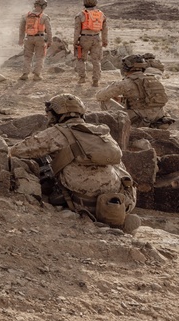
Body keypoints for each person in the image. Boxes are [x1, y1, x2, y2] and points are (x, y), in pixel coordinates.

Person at [9, 94, 140, 233]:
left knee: (35, 165)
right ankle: (116, 214)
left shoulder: (57, 132)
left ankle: (91, 216)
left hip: (82, 203)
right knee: (116, 165)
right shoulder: (101, 132)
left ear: (55, 115)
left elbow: (17, 151)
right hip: (117, 199)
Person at [96, 55, 174, 129]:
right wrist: (122, 100)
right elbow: (145, 98)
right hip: (159, 120)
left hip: (139, 121)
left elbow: (99, 96)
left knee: (104, 101)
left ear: (126, 68)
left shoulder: (126, 83)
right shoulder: (153, 79)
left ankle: (116, 129)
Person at [74, 0, 108, 86]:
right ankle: (96, 81)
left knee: (81, 59)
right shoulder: (101, 14)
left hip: (84, 38)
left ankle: (82, 78)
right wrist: (105, 41)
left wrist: (75, 42)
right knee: (96, 60)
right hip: (97, 38)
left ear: (84, 3)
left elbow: (77, 30)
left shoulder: (81, 14)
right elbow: (105, 29)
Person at [18, 0, 52, 80]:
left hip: (28, 38)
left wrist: (21, 39)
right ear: (43, 6)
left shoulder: (26, 16)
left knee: (27, 56)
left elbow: (21, 29)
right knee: (39, 57)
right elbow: (48, 30)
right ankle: (37, 75)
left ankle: (25, 74)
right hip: (40, 38)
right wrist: (49, 40)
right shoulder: (44, 16)